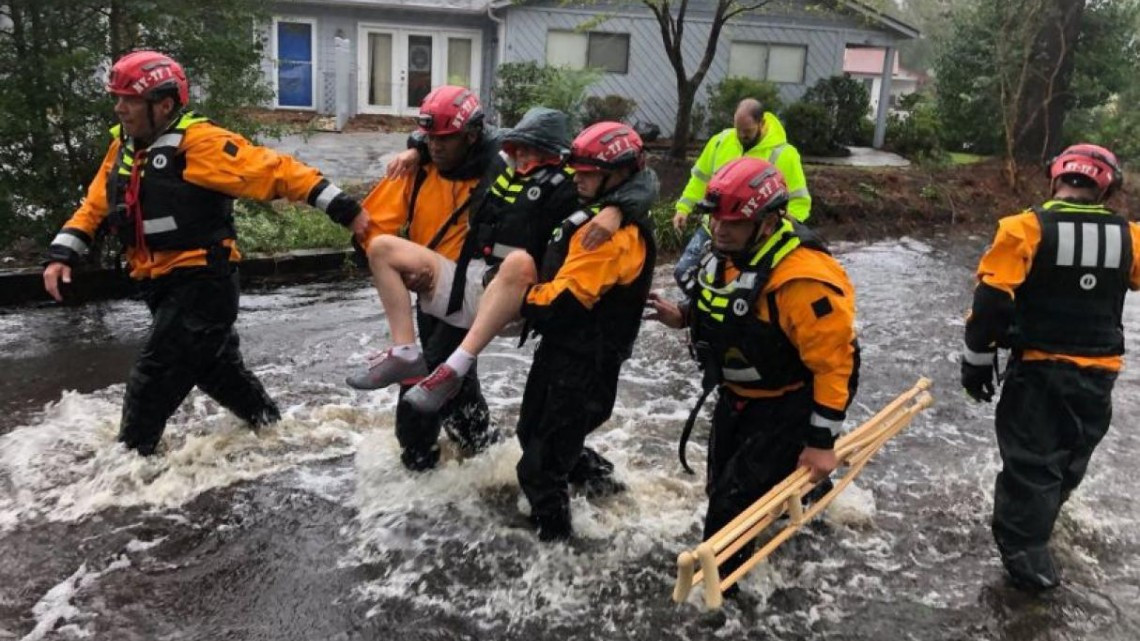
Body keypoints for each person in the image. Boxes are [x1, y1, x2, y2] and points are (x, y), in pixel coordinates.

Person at [41, 50, 366, 456]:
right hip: (159, 283)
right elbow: (96, 206)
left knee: (152, 379)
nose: (119, 108)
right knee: (218, 372)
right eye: (117, 98)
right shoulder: (123, 148)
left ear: (164, 105)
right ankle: (279, 436)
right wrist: (62, 254)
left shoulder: (200, 144)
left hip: (202, 283)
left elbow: (276, 171)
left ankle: (128, 467)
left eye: (129, 100)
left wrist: (346, 209)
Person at [405, 122, 659, 541]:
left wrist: (513, 296)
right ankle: (608, 490)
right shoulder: (595, 207)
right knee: (533, 438)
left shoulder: (612, 238)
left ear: (618, 175)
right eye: (577, 169)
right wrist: (417, 146)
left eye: (589, 173)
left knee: (539, 468)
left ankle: (559, 550)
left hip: (586, 364)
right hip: (563, 355)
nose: (578, 179)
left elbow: (564, 303)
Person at [647, 157, 858, 579]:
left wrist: (821, 443)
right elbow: (733, 308)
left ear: (768, 221)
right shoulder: (728, 252)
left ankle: (723, 590)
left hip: (788, 402)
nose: (720, 229)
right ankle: (807, 500)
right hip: (740, 396)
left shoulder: (803, 280)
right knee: (718, 485)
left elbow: (836, 366)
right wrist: (685, 316)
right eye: (716, 219)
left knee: (729, 509)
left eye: (734, 222)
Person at [961, 143, 1138, 591]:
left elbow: (991, 300)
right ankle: (1038, 538)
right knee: (1067, 461)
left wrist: (976, 361)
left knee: (1030, 465)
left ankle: (1030, 571)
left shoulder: (1023, 228)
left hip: (1039, 371)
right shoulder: (1131, 237)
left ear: (1055, 177)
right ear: (1108, 189)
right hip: (1099, 376)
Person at [672, 98, 811, 294]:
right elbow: (700, 179)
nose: (742, 136)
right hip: (714, 227)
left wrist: (778, 226)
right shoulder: (720, 142)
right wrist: (683, 208)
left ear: (762, 123)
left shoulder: (784, 155)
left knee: (741, 289)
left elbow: (799, 201)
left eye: (747, 131)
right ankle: (698, 309)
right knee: (684, 273)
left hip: (753, 237)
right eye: (738, 130)